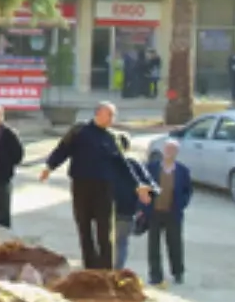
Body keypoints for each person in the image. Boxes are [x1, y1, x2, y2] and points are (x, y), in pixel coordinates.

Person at [40, 101, 152, 270]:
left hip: (103, 189)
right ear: (98, 113)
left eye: (114, 115)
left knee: (104, 232)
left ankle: (105, 270)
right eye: (110, 114)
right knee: (84, 229)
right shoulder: (79, 131)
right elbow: (63, 150)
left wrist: (138, 185)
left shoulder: (112, 138)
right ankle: (90, 268)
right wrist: (49, 167)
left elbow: (123, 164)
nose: (113, 118)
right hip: (81, 186)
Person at [145, 138, 193, 286]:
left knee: (175, 244)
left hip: (173, 213)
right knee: (153, 246)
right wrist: (143, 206)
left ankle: (178, 272)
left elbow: (187, 191)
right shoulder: (152, 168)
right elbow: (143, 186)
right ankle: (155, 275)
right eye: (167, 149)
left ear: (177, 152)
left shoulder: (183, 171)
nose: (169, 152)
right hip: (154, 212)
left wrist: (181, 204)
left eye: (172, 150)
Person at [113, 131, 157, 270]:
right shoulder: (134, 164)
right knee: (121, 243)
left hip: (106, 210)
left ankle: (103, 272)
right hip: (126, 211)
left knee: (104, 243)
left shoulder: (102, 163)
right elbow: (151, 187)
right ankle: (117, 272)